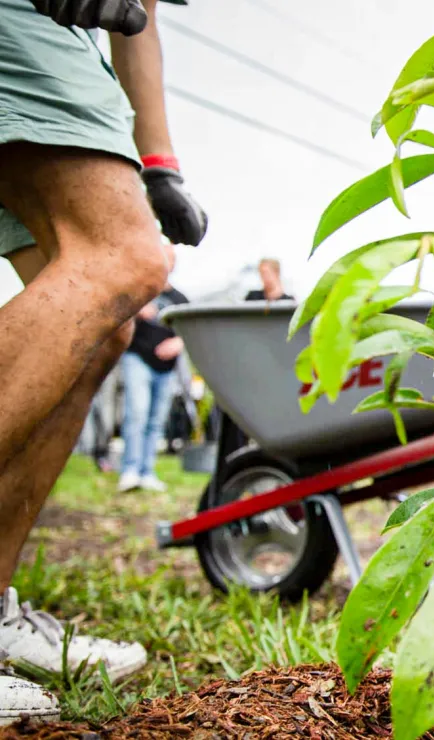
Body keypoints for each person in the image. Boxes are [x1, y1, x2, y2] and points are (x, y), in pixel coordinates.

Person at [0, 0, 206, 724]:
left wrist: (160, 164)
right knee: (118, 257)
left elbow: (139, 11)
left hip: (63, 37)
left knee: (101, 322)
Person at [117, 246, 188, 493]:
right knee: (136, 414)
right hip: (137, 359)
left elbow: (188, 334)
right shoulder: (139, 292)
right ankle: (130, 470)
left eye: (172, 259)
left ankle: (147, 471)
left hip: (165, 369)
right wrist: (135, 307)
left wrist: (178, 342)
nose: (168, 263)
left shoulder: (180, 300)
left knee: (155, 421)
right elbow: (114, 310)